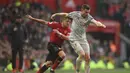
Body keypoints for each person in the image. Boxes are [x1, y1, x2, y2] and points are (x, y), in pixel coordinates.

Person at [51, 4, 106, 73]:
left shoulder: (89, 17)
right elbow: (65, 14)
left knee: (88, 58)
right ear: (82, 10)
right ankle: (77, 71)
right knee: (82, 54)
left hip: (83, 39)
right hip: (74, 39)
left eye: (88, 12)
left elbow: (96, 22)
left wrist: (100, 24)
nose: (87, 14)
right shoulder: (75, 14)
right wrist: (56, 14)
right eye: (86, 12)